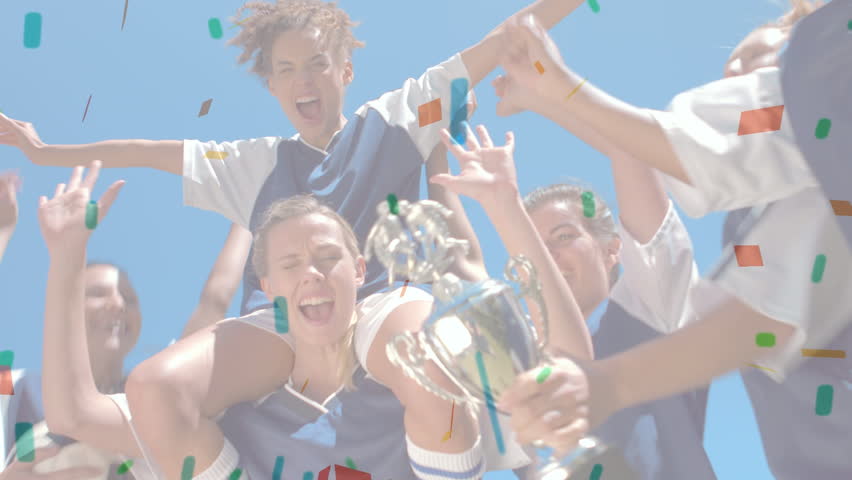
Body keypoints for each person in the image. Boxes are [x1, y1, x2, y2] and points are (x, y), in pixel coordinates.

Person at [0, 0, 588, 319]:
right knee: (160, 386)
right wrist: (46, 151)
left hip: (381, 315)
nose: (302, 81)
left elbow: (500, 39)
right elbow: (147, 151)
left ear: (346, 71)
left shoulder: (396, 118)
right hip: (280, 330)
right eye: (285, 70)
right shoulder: (256, 164)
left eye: (316, 64)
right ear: (272, 87)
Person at [31, 158, 590, 479]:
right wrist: (65, 257)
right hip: (263, 365)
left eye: (328, 259)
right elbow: (77, 413)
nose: (313, 275)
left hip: (414, 381)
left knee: (425, 357)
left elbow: (570, 369)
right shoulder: (241, 411)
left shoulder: (416, 363)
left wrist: (507, 206)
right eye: (293, 265)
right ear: (270, 287)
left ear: (361, 269)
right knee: (153, 385)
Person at [495, 3, 852, 478]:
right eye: (730, 65)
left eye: (755, 59)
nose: (734, 72)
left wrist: (559, 91)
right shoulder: (770, 213)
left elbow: (671, 148)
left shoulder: (820, 81)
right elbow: (766, 323)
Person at [431, 122, 716, 480]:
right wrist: (432, 152)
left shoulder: (650, 304)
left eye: (563, 236)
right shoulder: (514, 361)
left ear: (613, 250)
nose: (546, 257)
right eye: (532, 246)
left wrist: (553, 91)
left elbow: (631, 151)